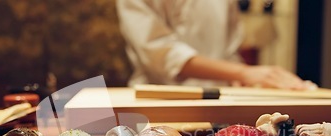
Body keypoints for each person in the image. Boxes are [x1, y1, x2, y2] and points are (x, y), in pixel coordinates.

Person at [116, 0, 316, 90]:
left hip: (219, 104)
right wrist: (243, 73)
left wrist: (251, 81)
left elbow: (229, 50)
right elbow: (160, 54)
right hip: (160, 104)